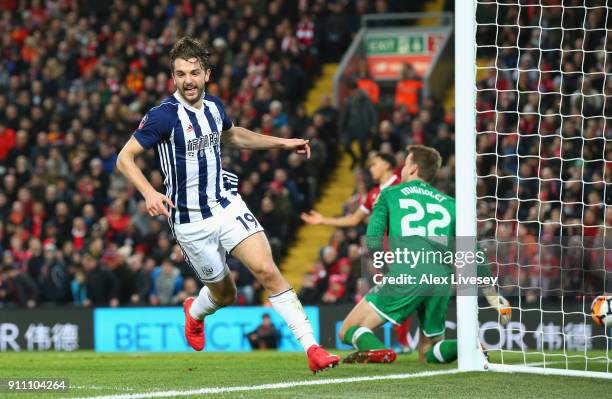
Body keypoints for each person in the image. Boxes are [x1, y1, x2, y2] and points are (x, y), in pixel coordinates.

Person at [116, 37, 339, 373]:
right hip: (190, 221)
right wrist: (148, 192)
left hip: (226, 204)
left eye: (194, 72)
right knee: (225, 294)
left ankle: (312, 348)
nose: (188, 80)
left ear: (207, 73)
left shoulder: (214, 108)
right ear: (173, 78)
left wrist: (280, 142)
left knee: (266, 269)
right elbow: (124, 157)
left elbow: (232, 135)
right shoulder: (163, 116)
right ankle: (194, 312)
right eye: (180, 74)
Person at [338, 145, 512, 364]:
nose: (401, 169)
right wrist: (491, 294)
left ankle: (380, 351)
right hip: (440, 279)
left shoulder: (389, 193)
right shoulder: (451, 204)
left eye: (405, 164)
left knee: (348, 330)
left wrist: (386, 269)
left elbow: (373, 238)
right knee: (429, 353)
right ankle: (467, 344)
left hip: (407, 272)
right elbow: (472, 250)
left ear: (413, 168)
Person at [300, 152, 399, 228]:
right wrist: (323, 220)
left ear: (386, 165)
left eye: (374, 165)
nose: (370, 169)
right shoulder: (373, 194)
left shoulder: (402, 185)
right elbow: (354, 219)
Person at [338, 79, 377, 168]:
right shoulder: (349, 100)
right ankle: (355, 158)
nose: (352, 92)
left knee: (362, 148)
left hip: (363, 128)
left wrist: (373, 125)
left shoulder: (365, 99)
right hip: (351, 128)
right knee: (345, 144)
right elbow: (345, 115)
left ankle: (362, 166)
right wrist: (341, 127)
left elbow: (371, 113)